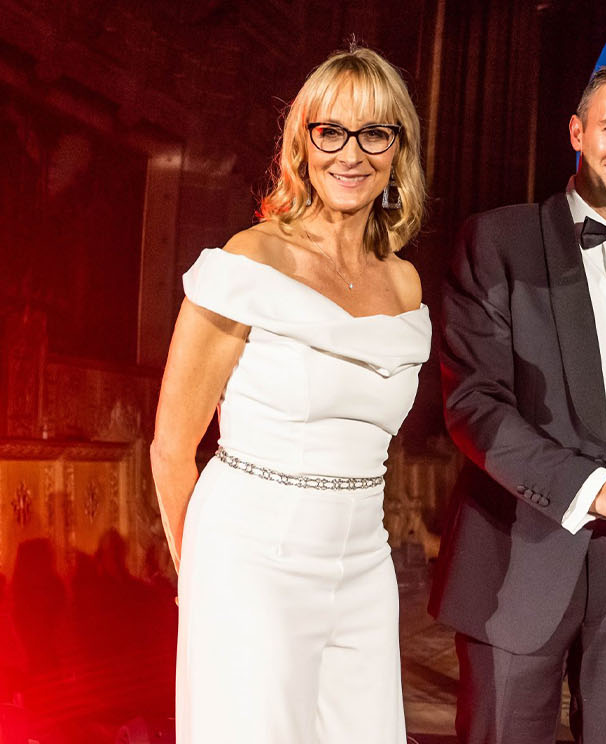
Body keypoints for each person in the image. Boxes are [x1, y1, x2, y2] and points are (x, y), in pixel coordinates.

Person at [429, 62, 606, 743]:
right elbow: (474, 401)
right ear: (577, 132)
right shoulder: (496, 240)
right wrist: (596, 488)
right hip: (517, 550)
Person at [149, 45, 429, 743]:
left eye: (374, 133)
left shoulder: (403, 283)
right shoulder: (251, 261)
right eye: (329, 131)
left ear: (399, 149)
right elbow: (171, 446)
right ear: (301, 144)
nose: (351, 154)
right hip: (250, 561)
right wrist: (205, 579)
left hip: (364, 566)